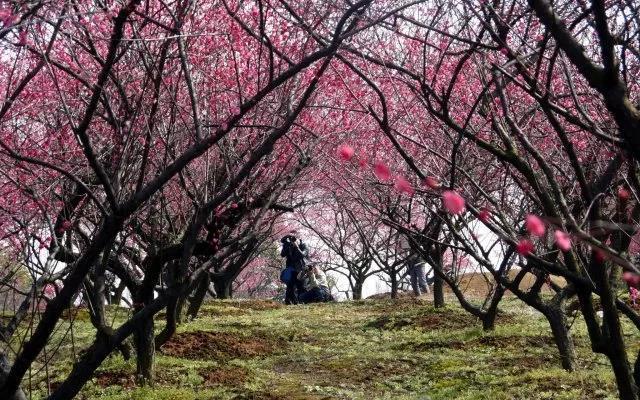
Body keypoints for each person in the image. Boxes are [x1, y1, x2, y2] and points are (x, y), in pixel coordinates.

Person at [280, 234, 308, 304]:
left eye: (295, 239)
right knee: (290, 287)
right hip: (291, 269)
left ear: (299, 239)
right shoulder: (289, 246)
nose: (294, 241)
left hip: (301, 269)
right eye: (292, 240)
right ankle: (290, 303)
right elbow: (282, 254)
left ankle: (302, 302)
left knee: (301, 287)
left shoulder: (303, 245)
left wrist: (297, 247)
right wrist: (286, 244)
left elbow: (302, 255)